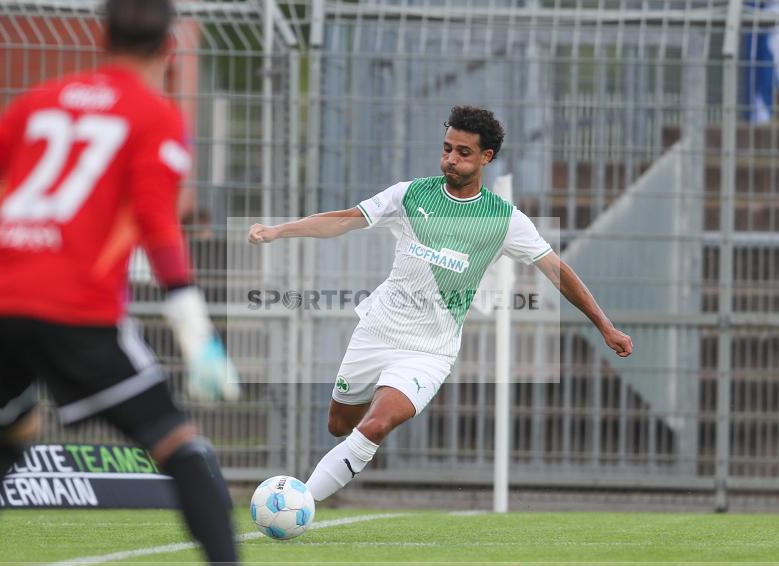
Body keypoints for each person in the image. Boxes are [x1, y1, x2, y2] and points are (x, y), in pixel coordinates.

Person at [0, 1, 263, 566]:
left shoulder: (39, 100)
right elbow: (157, 223)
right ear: (170, 50)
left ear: (99, 36)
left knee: (9, 437)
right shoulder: (156, 117)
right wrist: (196, 334)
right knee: (177, 441)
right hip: (74, 309)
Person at [248, 105, 633, 503]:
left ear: (487, 157)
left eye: (463, 152)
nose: (451, 159)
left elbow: (558, 271)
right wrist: (279, 231)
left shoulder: (505, 220)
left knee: (376, 425)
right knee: (338, 425)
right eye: (447, 148)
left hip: (429, 350)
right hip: (377, 331)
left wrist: (604, 325)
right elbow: (345, 219)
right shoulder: (410, 194)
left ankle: (299, 503)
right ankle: (323, 475)